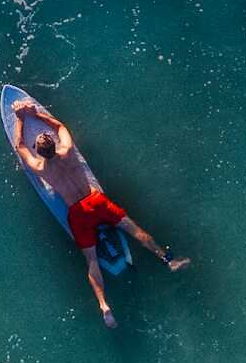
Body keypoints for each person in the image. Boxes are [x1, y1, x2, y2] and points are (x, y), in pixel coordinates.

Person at [12, 99, 189, 327]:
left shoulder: (39, 168)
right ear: (53, 145)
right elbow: (59, 127)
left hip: (77, 213)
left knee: (92, 259)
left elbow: (19, 146)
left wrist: (20, 119)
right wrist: (37, 115)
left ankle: (104, 306)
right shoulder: (67, 151)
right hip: (97, 202)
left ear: (39, 151)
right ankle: (167, 260)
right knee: (133, 228)